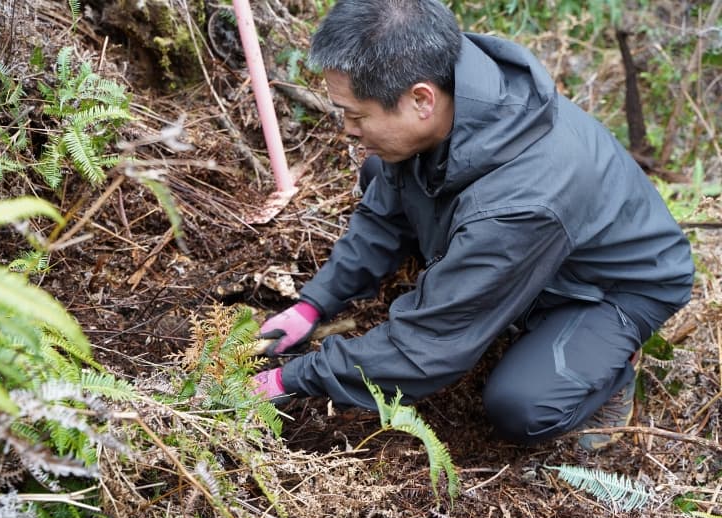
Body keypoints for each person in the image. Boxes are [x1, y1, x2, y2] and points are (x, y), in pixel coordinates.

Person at [253, 0, 694, 452]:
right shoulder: (448, 86)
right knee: (380, 168)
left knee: (522, 408)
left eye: (358, 115)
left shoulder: (521, 202)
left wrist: (288, 379)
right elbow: (384, 211)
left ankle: (612, 371)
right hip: (528, 238)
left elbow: (425, 348)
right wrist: (314, 304)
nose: (347, 130)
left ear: (421, 99)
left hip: (612, 285)